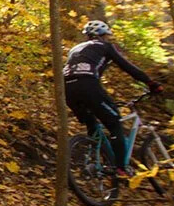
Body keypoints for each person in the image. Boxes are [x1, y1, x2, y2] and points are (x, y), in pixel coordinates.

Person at [64, 20, 163, 178]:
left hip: (67, 89)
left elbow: (87, 70)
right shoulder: (105, 47)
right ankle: (121, 168)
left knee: (93, 124)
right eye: (106, 36)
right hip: (88, 86)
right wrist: (150, 83)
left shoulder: (76, 49)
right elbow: (127, 67)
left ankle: (96, 157)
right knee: (114, 122)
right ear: (103, 36)